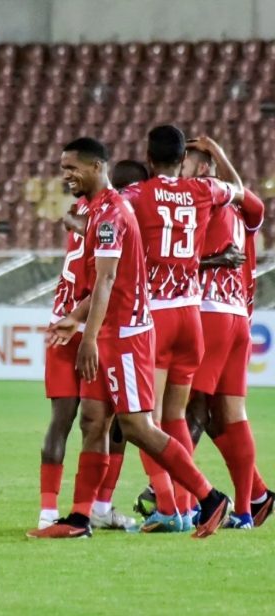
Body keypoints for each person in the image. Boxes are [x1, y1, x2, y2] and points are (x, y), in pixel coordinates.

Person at [28, 137, 230, 540]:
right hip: (107, 330)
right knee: (92, 421)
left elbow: (105, 280)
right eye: (63, 167)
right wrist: (76, 319)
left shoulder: (111, 213)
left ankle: (210, 498)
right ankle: (81, 519)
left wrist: (85, 337)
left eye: (72, 168)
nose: (66, 175)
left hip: (126, 336)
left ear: (97, 166)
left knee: (137, 426)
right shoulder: (101, 209)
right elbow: (106, 283)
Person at [119, 127, 244, 532]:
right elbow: (239, 192)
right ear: (178, 158)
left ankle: (172, 509)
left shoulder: (137, 195)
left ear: (149, 158)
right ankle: (190, 507)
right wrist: (220, 155)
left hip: (156, 316)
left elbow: (105, 214)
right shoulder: (203, 190)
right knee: (173, 416)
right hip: (193, 317)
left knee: (143, 422)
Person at [37, 161, 147, 532]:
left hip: (63, 316)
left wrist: (71, 223)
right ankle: (99, 505)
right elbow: (108, 279)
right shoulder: (113, 215)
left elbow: (83, 232)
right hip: (94, 327)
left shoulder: (86, 212)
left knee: (64, 422)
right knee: (108, 423)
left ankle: (50, 512)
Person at [181, 146, 274, 528]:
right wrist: (220, 156)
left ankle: (181, 501)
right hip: (237, 315)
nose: (178, 171)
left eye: (185, 163)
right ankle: (249, 504)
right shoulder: (239, 210)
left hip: (211, 311)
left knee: (192, 410)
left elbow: (181, 257)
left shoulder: (203, 200)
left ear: (202, 170)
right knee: (228, 415)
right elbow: (256, 204)